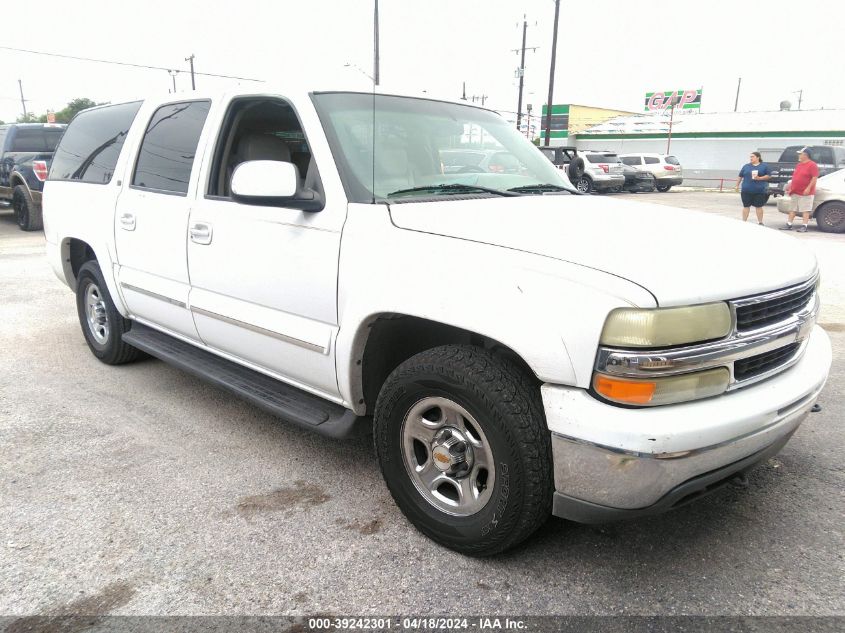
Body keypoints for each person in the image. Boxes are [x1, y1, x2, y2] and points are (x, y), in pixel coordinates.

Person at [780, 147, 819, 233]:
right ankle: (789, 224)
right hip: (795, 191)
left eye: (800, 154)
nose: (799, 155)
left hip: (806, 192)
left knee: (805, 209)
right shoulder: (799, 165)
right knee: (792, 209)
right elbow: (795, 178)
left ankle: (804, 226)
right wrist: (790, 187)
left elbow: (814, 178)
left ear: (806, 155)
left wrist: (808, 188)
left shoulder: (812, 165)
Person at [735, 151, 770, 225]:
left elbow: (768, 176)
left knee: (759, 206)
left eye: (752, 156)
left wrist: (760, 178)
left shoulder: (764, 166)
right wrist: (737, 185)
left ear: (758, 157)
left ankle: (760, 222)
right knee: (746, 206)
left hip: (759, 191)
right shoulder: (746, 166)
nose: (751, 158)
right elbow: (740, 176)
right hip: (746, 190)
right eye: (750, 157)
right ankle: (744, 222)